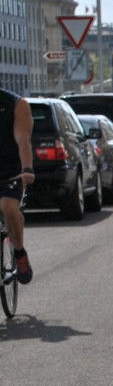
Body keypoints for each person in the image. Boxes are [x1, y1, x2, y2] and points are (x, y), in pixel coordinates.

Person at [0, 88, 35, 284]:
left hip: (10, 173)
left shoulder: (16, 104)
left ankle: (20, 254)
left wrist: (27, 168)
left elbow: (23, 140)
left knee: (8, 208)